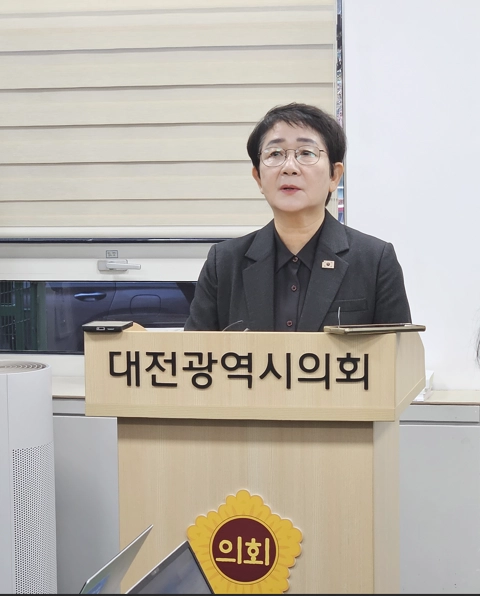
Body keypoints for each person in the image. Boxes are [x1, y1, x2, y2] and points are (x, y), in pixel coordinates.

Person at [184, 102, 411, 332]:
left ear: (335, 176)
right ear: (258, 178)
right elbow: (192, 352)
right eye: (275, 154)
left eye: (306, 153)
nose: (289, 167)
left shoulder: (375, 261)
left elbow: (401, 352)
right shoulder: (224, 264)